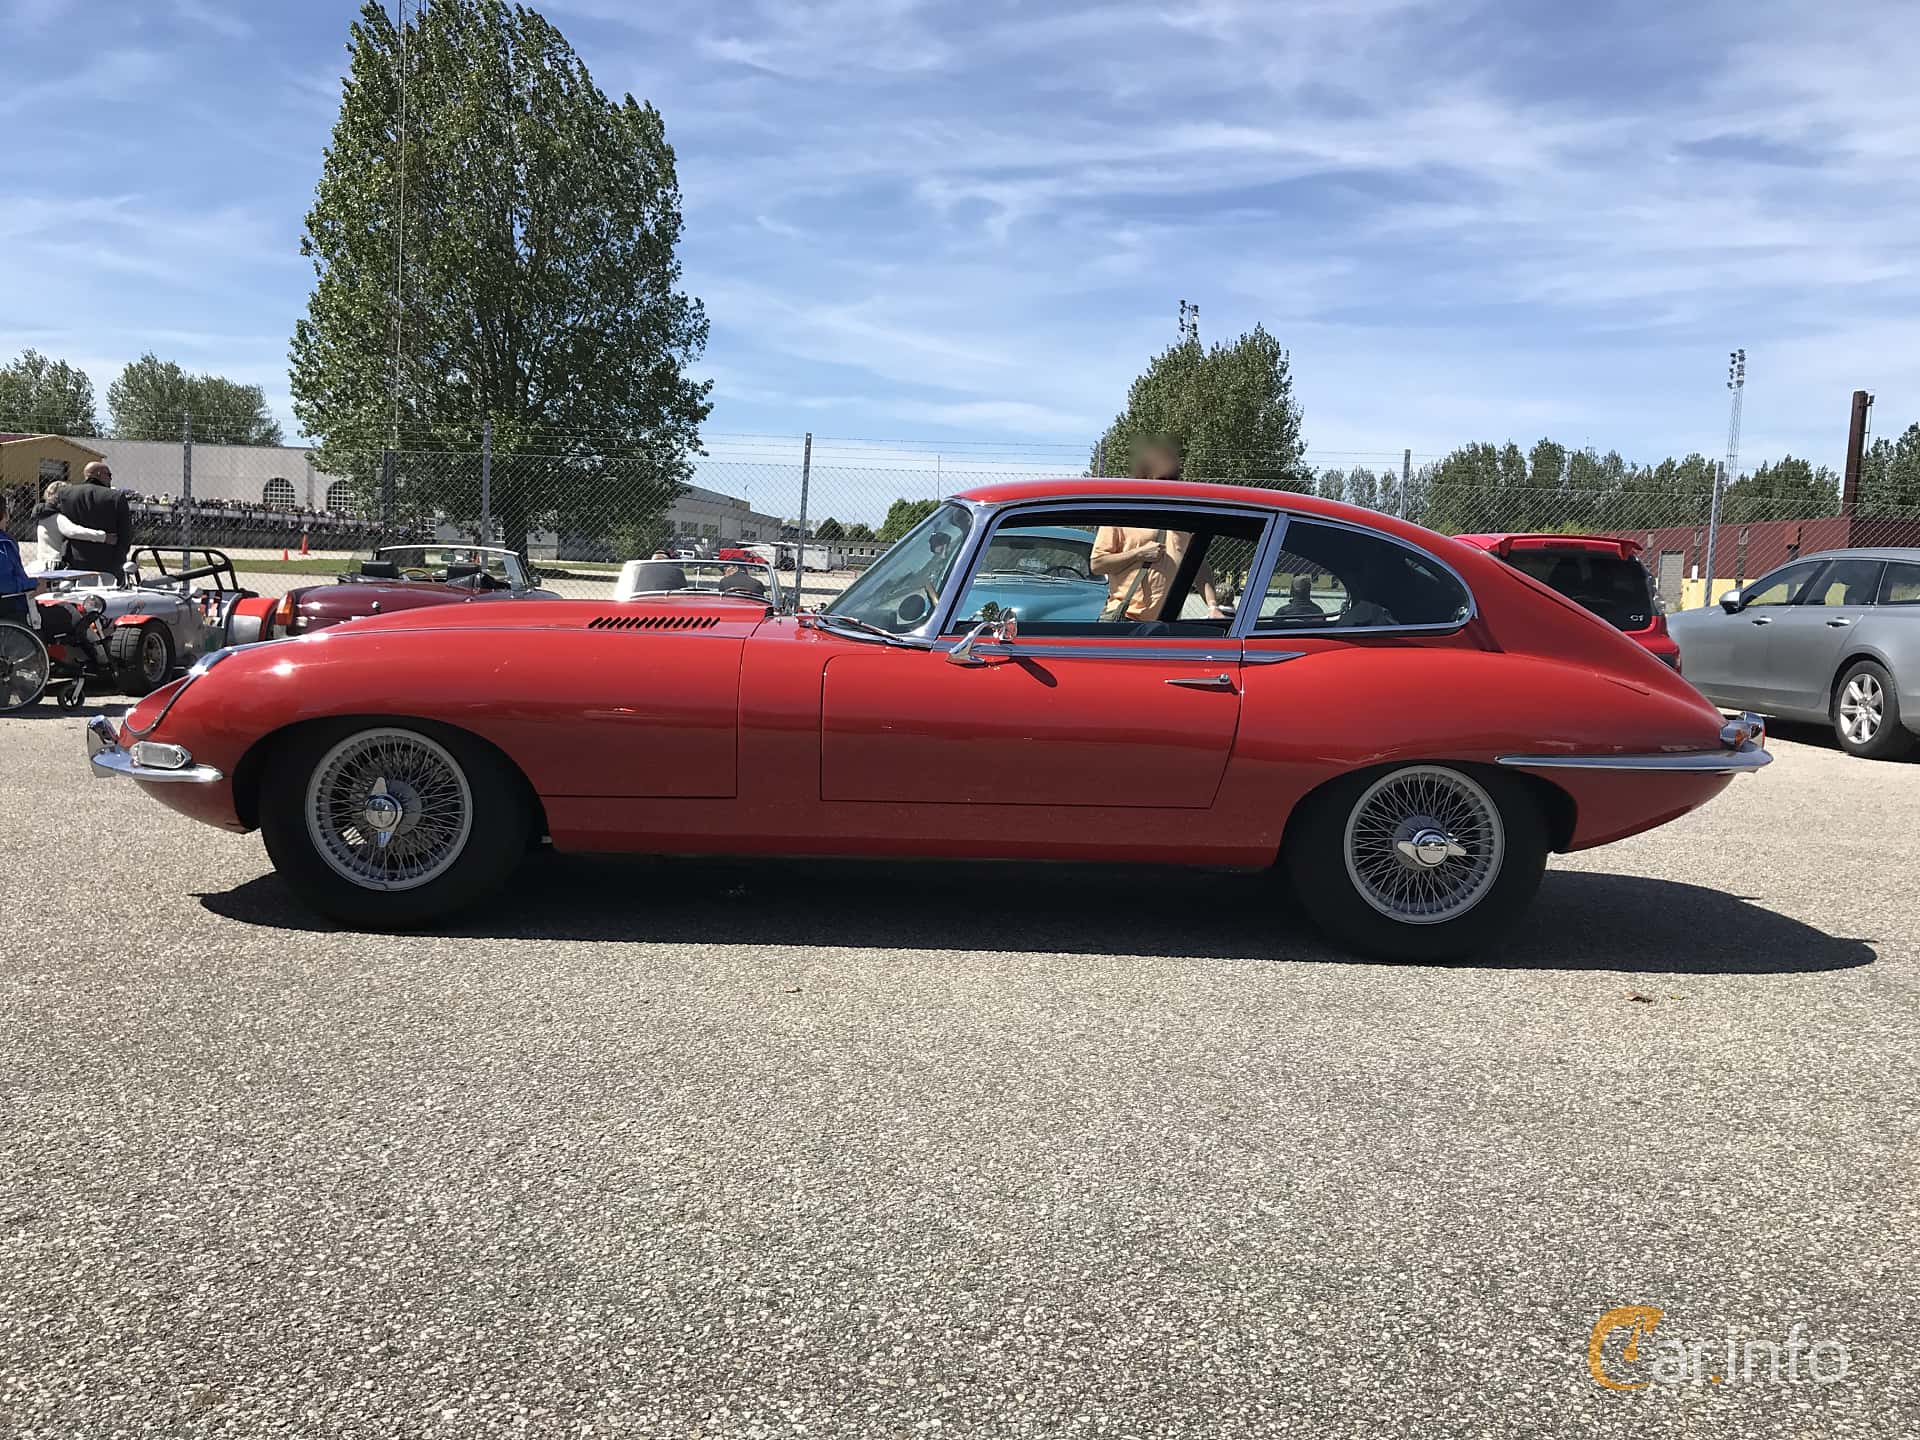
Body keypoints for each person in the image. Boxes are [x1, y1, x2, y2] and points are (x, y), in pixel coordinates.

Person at [1089, 439, 1227, 623]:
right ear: (1145, 477)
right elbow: (1097, 564)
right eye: (1162, 479)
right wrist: (1138, 554)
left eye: (1173, 479)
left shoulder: (1184, 519)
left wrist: (1212, 606)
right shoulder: (1121, 516)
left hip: (1166, 625)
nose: (1169, 485)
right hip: (1124, 621)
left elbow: (1198, 564)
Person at [57, 462, 133, 575]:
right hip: (109, 559)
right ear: (98, 474)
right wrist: (121, 554)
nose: (110, 479)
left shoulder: (65, 494)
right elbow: (125, 531)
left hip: (74, 558)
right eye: (109, 475)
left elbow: (60, 524)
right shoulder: (115, 497)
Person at [29, 480, 112, 572]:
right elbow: (73, 531)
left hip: (43, 563)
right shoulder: (57, 517)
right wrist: (104, 537)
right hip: (56, 563)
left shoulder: (43, 515)